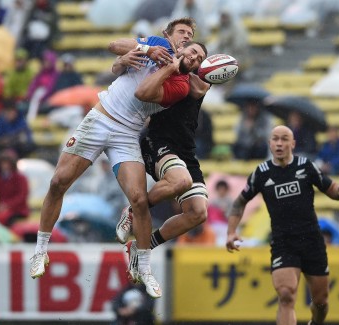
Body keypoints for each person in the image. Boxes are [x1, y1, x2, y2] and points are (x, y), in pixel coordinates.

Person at [29, 23, 207, 299]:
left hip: (127, 133)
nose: (187, 40)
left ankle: (144, 267)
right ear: (171, 35)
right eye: (184, 34)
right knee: (58, 182)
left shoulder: (181, 84)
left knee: (138, 199)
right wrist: (140, 52)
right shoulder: (155, 44)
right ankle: (40, 251)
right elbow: (114, 46)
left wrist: (168, 67)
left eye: (192, 40)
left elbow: (143, 93)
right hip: (99, 119)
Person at [111, 17, 216, 281]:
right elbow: (119, 52)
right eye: (191, 48)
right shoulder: (163, 61)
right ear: (177, 47)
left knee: (197, 213)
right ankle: (133, 211)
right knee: (181, 181)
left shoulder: (198, 80)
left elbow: (198, 84)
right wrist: (128, 59)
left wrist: (185, 63)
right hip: (158, 142)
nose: (195, 56)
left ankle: (142, 246)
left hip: (185, 149)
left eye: (201, 57)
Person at [225, 125, 339, 325]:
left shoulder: (305, 166)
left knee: (321, 302)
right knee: (285, 295)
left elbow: (330, 188)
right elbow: (239, 202)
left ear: (292, 144)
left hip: (312, 241)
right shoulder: (261, 173)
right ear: (270, 143)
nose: (279, 143)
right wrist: (231, 232)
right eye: (275, 139)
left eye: (284, 139)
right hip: (284, 243)